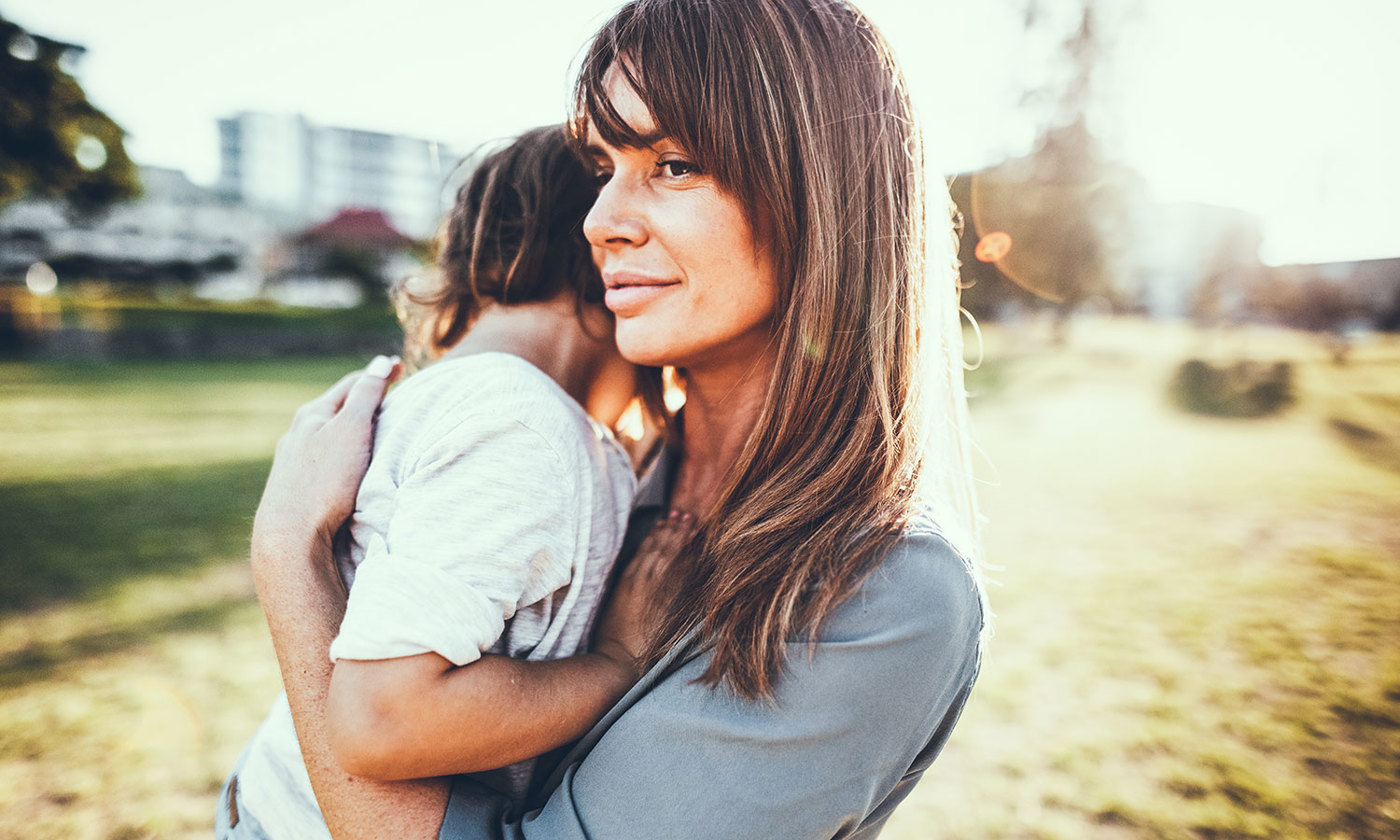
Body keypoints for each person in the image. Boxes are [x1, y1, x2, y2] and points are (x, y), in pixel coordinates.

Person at [248, 1, 988, 838]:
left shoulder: (882, 593)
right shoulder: (604, 471)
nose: (599, 222)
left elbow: (380, 723)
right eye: (604, 167)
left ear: (825, 194)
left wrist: (288, 559)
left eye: (673, 163)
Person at [218, 125, 645, 840]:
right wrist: (616, 665)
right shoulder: (519, 423)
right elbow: (388, 719)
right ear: (605, 254)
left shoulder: (456, 397)